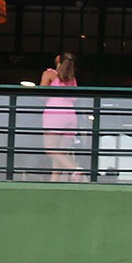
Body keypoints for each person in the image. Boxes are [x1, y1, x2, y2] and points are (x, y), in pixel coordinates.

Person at [39, 52, 80, 182]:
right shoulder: (72, 79)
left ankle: (75, 169)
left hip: (54, 114)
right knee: (60, 153)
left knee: (50, 150)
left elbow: (41, 94)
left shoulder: (49, 74)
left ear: (57, 59)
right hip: (71, 116)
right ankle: (54, 182)